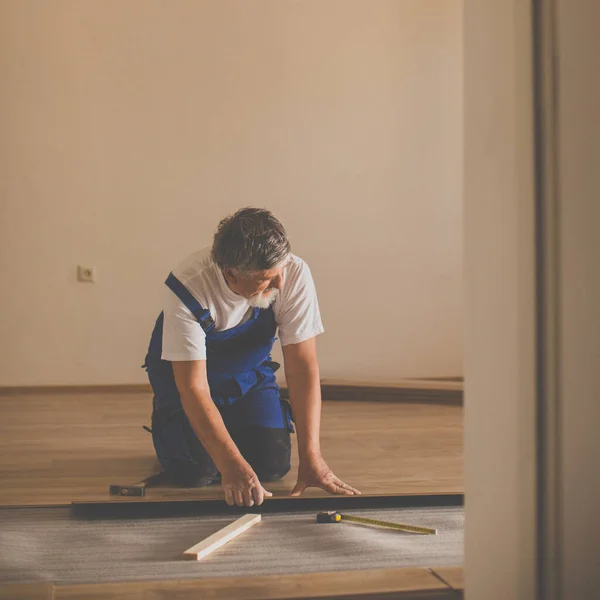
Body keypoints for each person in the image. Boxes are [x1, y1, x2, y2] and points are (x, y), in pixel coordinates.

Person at [143, 207, 359, 507]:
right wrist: (230, 465)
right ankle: (171, 427)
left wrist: (312, 457)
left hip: (247, 376)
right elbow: (194, 387)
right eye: (266, 278)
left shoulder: (292, 273)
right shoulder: (188, 287)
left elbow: (302, 367)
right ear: (231, 273)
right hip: (188, 382)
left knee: (272, 463)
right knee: (196, 471)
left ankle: (229, 430)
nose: (279, 284)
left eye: (280, 272)